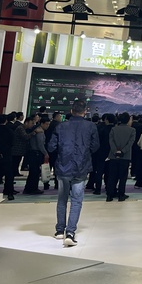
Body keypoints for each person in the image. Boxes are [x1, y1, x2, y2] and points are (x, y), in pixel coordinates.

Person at [47, 100, 99, 247]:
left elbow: (51, 147)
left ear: (71, 111)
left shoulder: (61, 126)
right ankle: (70, 232)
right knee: (76, 201)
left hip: (63, 166)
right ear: (85, 111)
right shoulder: (91, 126)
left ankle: (59, 230)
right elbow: (95, 146)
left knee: (62, 199)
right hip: (81, 167)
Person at [107, 112, 135, 202]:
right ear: (128, 120)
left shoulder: (113, 129)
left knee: (112, 176)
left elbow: (111, 141)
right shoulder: (132, 130)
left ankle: (110, 195)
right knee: (123, 177)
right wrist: (123, 151)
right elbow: (130, 143)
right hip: (125, 156)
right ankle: (121, 195)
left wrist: (115, 151)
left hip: (113, 156)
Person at [24, 116, 50, 194]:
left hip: (33, 153)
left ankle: (29, 188)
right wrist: (45, 153)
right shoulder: (39, 132)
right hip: (36, 153)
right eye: (46, 124)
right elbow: (40, 144)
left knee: (33, 172)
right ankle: (32, 188)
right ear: (42, 123)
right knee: (34, 172)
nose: (47, 126)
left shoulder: (38, 130)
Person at [90, 114, 113, 195]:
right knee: (109, 171)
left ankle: (98, 189)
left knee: (99, 172)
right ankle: (108, 187)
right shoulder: (114, 129)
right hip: (111, 152)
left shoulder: (100, 128)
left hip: (100, 153)